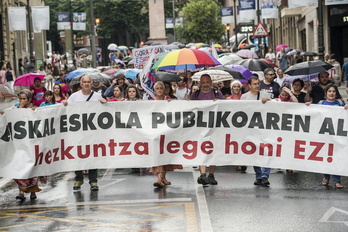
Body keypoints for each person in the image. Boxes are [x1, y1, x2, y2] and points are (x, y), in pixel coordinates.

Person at [62, 75, 105, 191]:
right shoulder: (74, 97)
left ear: (92, 84)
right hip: (78, 133)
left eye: (88, 82)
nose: (86, 84)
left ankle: (93, 181)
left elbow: (104, 111)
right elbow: (66, 110)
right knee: (78, 155)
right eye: (84, 82)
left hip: (92, 132)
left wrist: (105, 103)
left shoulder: (97, 96)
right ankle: (79, 179)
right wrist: (65, 104)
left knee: (92, 156)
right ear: (81, 84)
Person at [307, 83, 348, 189]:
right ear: (326, 93)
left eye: (333, 91)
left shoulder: (340, 103)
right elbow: (313, 114)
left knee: (336, 158)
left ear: (336, 93)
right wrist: (308, 106)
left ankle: (337, 180)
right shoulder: (321, 103)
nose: (331, 93)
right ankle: (326, 177)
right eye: (329, 91)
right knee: (325, 158)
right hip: (324, 137)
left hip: (337, 137)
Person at [191, 74, 224, 185]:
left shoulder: (217, 93)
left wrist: (218, 103)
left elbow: (225, 107)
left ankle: (211, 174)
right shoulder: (195, 95)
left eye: (207, 82)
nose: (205, 85)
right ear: (200, 83)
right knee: (201, 150)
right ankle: (203, 174)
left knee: (213, 151)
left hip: (214, 127)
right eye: (203, 82)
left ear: (211, 82)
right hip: (199, 127)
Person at [149, 81, 183, 187]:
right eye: (157, 88)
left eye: (161, 88)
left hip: (167, 132)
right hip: (154, 132)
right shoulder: (149, 102)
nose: (159, 90)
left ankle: (163, 177)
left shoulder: (169, 100)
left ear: (164, 90)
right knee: (157, 154)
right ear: (154, 90)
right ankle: (159, 178)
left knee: (165, 154)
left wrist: (173, 103)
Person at [13, 90, 44, 201]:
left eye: (24, 99)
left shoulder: (34, 109)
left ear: (29, 99)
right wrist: (20, 108)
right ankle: (21, 192)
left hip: (31, 143)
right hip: (20, 144)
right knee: (20, 168)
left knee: (32, 169)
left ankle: (33, 192)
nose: (22, 101)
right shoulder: (15, 110)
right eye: (20, 99)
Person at [241, 76, 271, 186]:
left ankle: (265, 175)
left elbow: (274, 108)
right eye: (254, 84)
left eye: (258, 83)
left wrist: (268, 102)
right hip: (251, 129)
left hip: (264, 128)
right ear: (249, 85)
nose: (257, 86)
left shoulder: (265, 95)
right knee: (254, 152)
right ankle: (258, 175)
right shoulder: (244, 97)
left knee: (267, 151)